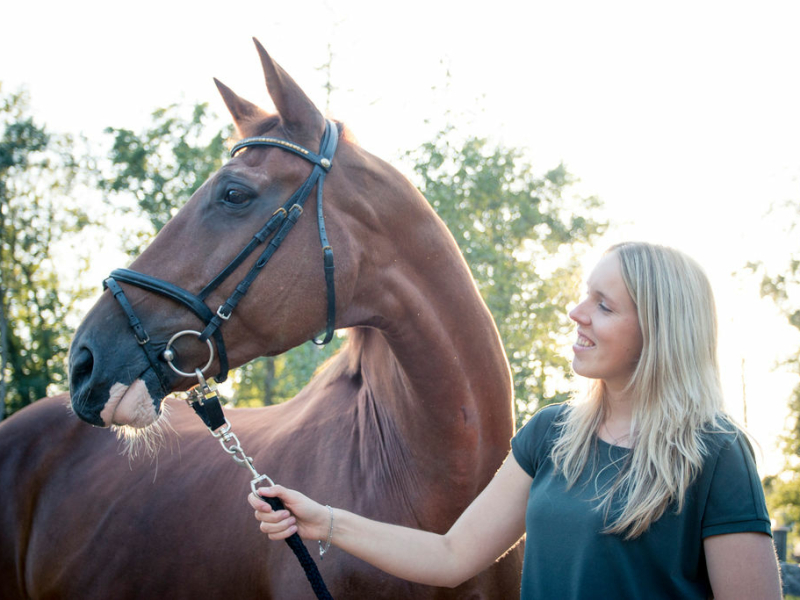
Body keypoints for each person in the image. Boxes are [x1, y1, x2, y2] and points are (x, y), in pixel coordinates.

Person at [248, 241, 782, 599]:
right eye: (584, 295)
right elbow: (451, 555)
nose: (577, 312)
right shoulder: (551, 435)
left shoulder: (716, 453)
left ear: (659, 331)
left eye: (604, 305)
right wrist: (325, 522)